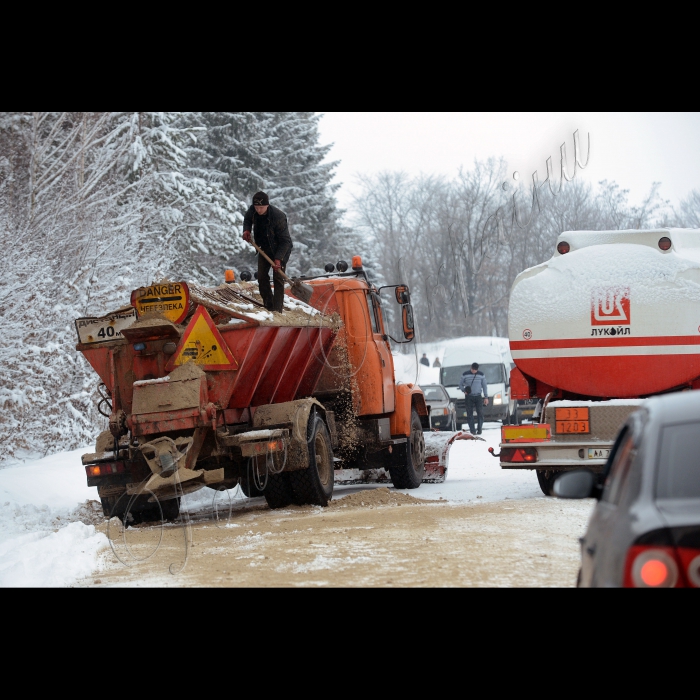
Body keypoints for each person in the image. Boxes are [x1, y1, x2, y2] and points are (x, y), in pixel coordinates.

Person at [242, 192, 293, 313]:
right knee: (261, 276)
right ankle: (268, 305)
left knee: (278, 278)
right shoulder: (252, 210)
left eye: (261, 207)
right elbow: (247, 219)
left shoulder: (278, 217)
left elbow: (285, 241)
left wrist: (278, 259)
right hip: (264, 248)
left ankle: (277, 310)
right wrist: (246, 230)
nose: (259, 210)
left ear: (267, 205)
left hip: (281, 249)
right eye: (256, 207)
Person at [459, 363, 489, 435]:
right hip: (469, 396)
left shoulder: (481, 375)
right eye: (472, 369)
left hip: (478, 396)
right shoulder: (465, 374)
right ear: (471, 367)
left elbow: (484, 386)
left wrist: (486, 397)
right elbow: (460, 384)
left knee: (480, 413)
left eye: (475, 370)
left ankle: (479, 429)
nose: (473, 371)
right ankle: (472, 430)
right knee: (469, 414)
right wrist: (464, 390)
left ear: (477, 369)